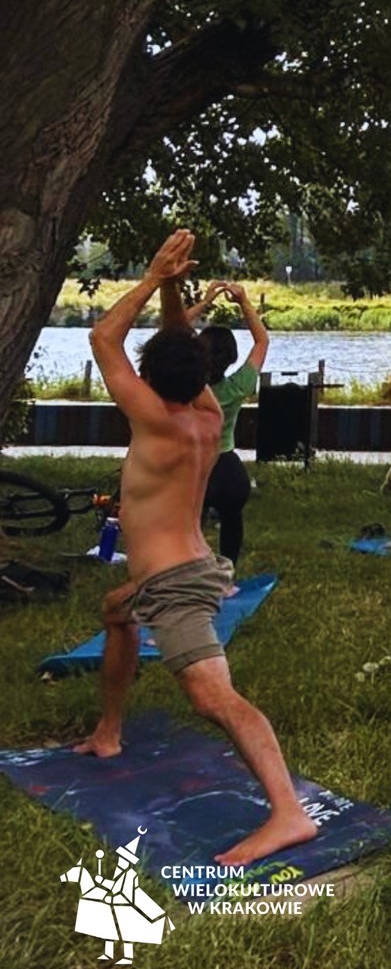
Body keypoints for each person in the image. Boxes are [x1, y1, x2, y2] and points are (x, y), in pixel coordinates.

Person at [73, 231, 315, 866]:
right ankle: (108, 731)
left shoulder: (153, 418)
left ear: (148, 380)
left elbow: (103, 338)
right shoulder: (207, 415)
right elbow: (183, 351)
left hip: (176, 584)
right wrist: (175, 290)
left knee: (214, 698)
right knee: (116, 610)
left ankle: (288, 813)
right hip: (188, 566)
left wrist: (154, 278)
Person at [195, 281, 268, 567]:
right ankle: (228, 574)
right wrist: (244, 302)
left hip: (194, 467)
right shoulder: (238, 387)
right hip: (228, 469)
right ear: (231, 359)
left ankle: (190, 574)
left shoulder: (185, 388)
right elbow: (262, 341)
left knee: (190, 529)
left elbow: (170, 333)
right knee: (232, 521)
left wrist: (205, 303)